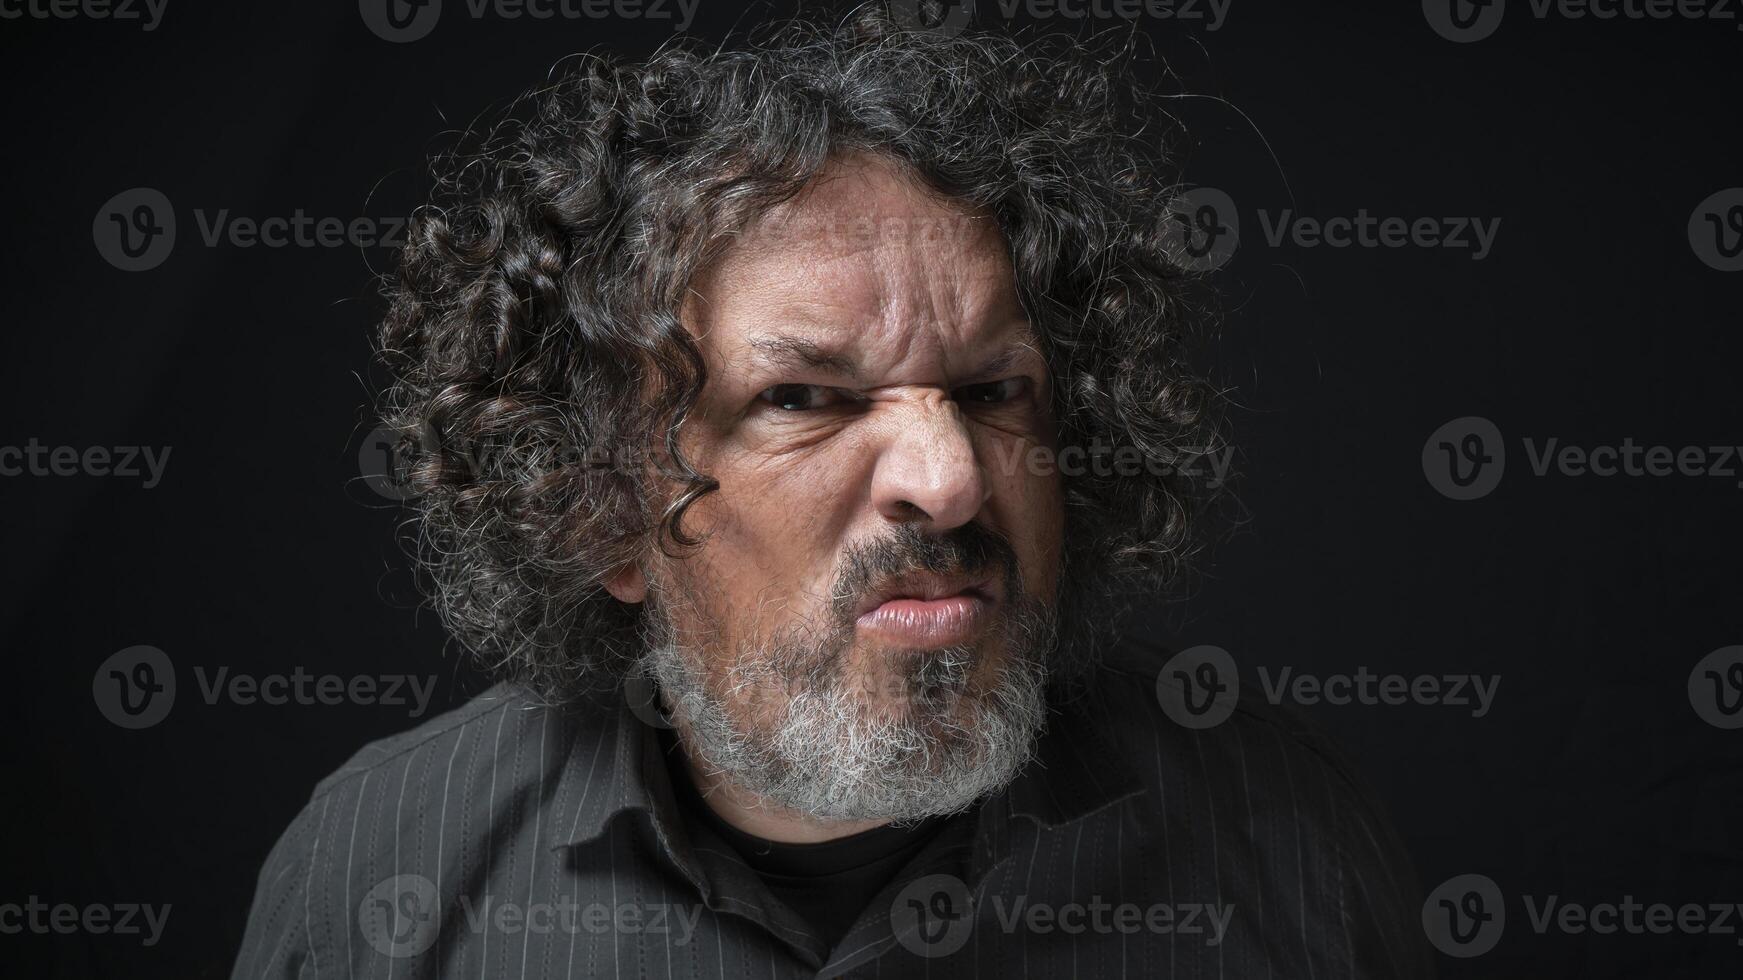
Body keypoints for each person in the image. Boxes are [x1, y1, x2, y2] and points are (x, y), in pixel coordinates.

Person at [233, 6, 1432, 977]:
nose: (950, 477)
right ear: (599, 503)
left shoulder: (1273, 836)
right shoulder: (382, 875)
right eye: (804, 398)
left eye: (994, 389)